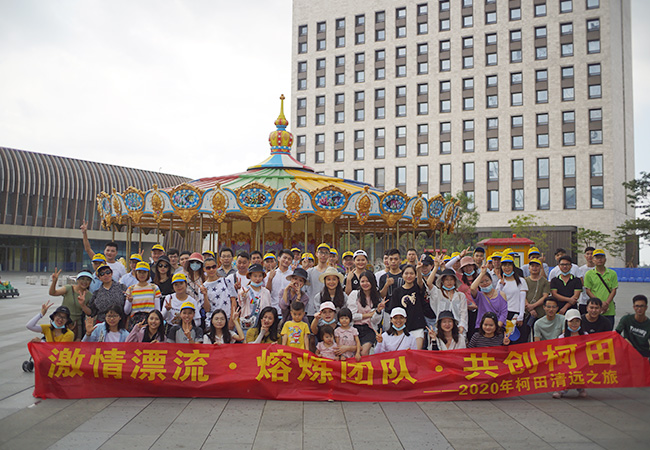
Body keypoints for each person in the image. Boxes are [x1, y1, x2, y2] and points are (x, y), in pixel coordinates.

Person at [389, 263, 435, 350]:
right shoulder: (397, 291)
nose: (409, 276)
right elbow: (393, 310)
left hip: (417, 326)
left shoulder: (418, 288)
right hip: (401, 327)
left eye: (411, 273)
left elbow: (420, 283)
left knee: (416, 352)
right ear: (402, 275)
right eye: (406, 273)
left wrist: (418, 270)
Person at [49, 268, 92, 340]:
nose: (85, 282)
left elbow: (89, 312)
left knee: (76, 345)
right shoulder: (69, 288)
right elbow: (53, 293)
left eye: (88, 280)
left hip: (76, 324)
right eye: (82, 279)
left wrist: (83, 305)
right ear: (77, 280)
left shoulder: (89, 295)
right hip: (62, 322)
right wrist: (54, 282)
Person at [348, 271, 385, 356]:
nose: (365, 284)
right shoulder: (354, 294)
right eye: (362, 281)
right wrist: (368, 315)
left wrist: (378, 311)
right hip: (354, 328)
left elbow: (376, 321)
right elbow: (352, 316)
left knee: (364, 352)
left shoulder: (377, 297)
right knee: (353, 353)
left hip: (369, 328)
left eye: (367, 281)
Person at [554, 309, 588, 398]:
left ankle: (581, 388)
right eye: (571, 321)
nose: (574, 324)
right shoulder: (562, 337)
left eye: (577, 321)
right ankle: (562, 389)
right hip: (567, 362)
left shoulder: (585, 335)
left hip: (581, 362)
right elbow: (560, 353)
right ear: (566, 322)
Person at [427, 259, 468, 335]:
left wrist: (462, 326)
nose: (449, 282)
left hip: (457, 328)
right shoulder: (438, 293)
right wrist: (436, 267)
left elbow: (463, 313)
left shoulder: (460, 295)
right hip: (441, 328)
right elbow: (429, 283)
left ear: (455, 281)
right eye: (446, 280)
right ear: (442, 281)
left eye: (451, 279)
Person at [496, 255, 528, 343]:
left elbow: (522, 299)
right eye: (504, 265)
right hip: (504, 315)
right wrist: (501, 286)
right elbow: (498, 299)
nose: (507, 267)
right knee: (505, 341)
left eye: (509, 265)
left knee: (519, 341)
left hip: (516, 315)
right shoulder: (500, 282)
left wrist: (520, 315)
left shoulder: (521, 281)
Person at [584, 249, 618, 327]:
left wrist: (606, 303)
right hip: (594, 309)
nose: (599, 259)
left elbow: (614, 290)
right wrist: (599, 303)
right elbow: (588, 290)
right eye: (597, 257)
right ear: (593, 260)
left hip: (609, 308)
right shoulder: (589, 274)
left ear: (605, 259)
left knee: (608, 333)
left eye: (601, 257)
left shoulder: (612, 273)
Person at [469, 264, 508, 329]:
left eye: (487, 280)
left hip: (498, 328)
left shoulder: (501, 294)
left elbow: (503, 313)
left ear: (491, 281)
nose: (485, 283)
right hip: (483, 328)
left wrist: (496, 327)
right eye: (481, 282)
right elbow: (472, 288)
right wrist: (482, 273)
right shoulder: (479, 296)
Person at [124, 262, 161, 328]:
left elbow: (157, 310)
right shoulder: (131, 289)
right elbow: (126, 311)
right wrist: (129, 301)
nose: (142, 274)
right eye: (139, 272)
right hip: (135, 322)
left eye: (144, 272)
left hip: (150, 321)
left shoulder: (154, 288)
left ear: (148, 274)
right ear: (136, 273)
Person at [203, 257, 237, 327]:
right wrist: (205, 295)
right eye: (208, 268)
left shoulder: (226, 281)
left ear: (217, 266)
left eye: (213, 267)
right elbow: (207, 309)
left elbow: (233, 301)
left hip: (227, 318)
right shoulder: (203, 287)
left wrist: (231, 320)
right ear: (204, 269)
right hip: (212, 322)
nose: (211, 269)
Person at [238, 263, 272, 333]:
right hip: (248, 324)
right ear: (250, 276)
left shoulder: (266, 292)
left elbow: (268, 308)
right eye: (255, 276)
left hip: (262, 324)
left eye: (260, 276)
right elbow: (242, 300)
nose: (257, 279)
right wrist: (243, 295)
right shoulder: (244, 290)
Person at [524, 258, 551, 336]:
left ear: (540, 268)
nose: (534, 268)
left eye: (537, 266)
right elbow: (522, 295)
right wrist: (529, 308)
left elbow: (545, 296)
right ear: (529, 268)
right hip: (527, 313)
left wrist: (532, 306)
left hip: (540, 314)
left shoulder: (544, 281)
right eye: (532, 266)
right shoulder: (524, 280)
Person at [306, 243, 332, 318]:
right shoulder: (309, 272)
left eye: (326, 253)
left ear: (329, 255)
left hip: (328, 310)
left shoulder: (331, 272)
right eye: (321, 252)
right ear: (316, 254)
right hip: (311, 309)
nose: (323, 255)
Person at [266, 249, 294, 314]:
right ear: (278, 258)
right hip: (273, 309)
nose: (286, 260)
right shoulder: (270, 274)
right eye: (284, 258)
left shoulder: (293, 276)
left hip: (288, 310)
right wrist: (270, 279)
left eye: (289, 259)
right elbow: (267, 292)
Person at [577, 247, 596, 314]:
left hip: (597, 300)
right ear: (585, 256)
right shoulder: (580, 269)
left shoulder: (599, 269)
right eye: (588, 254)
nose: (590, 256)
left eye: (592, 254)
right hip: (583, 301)